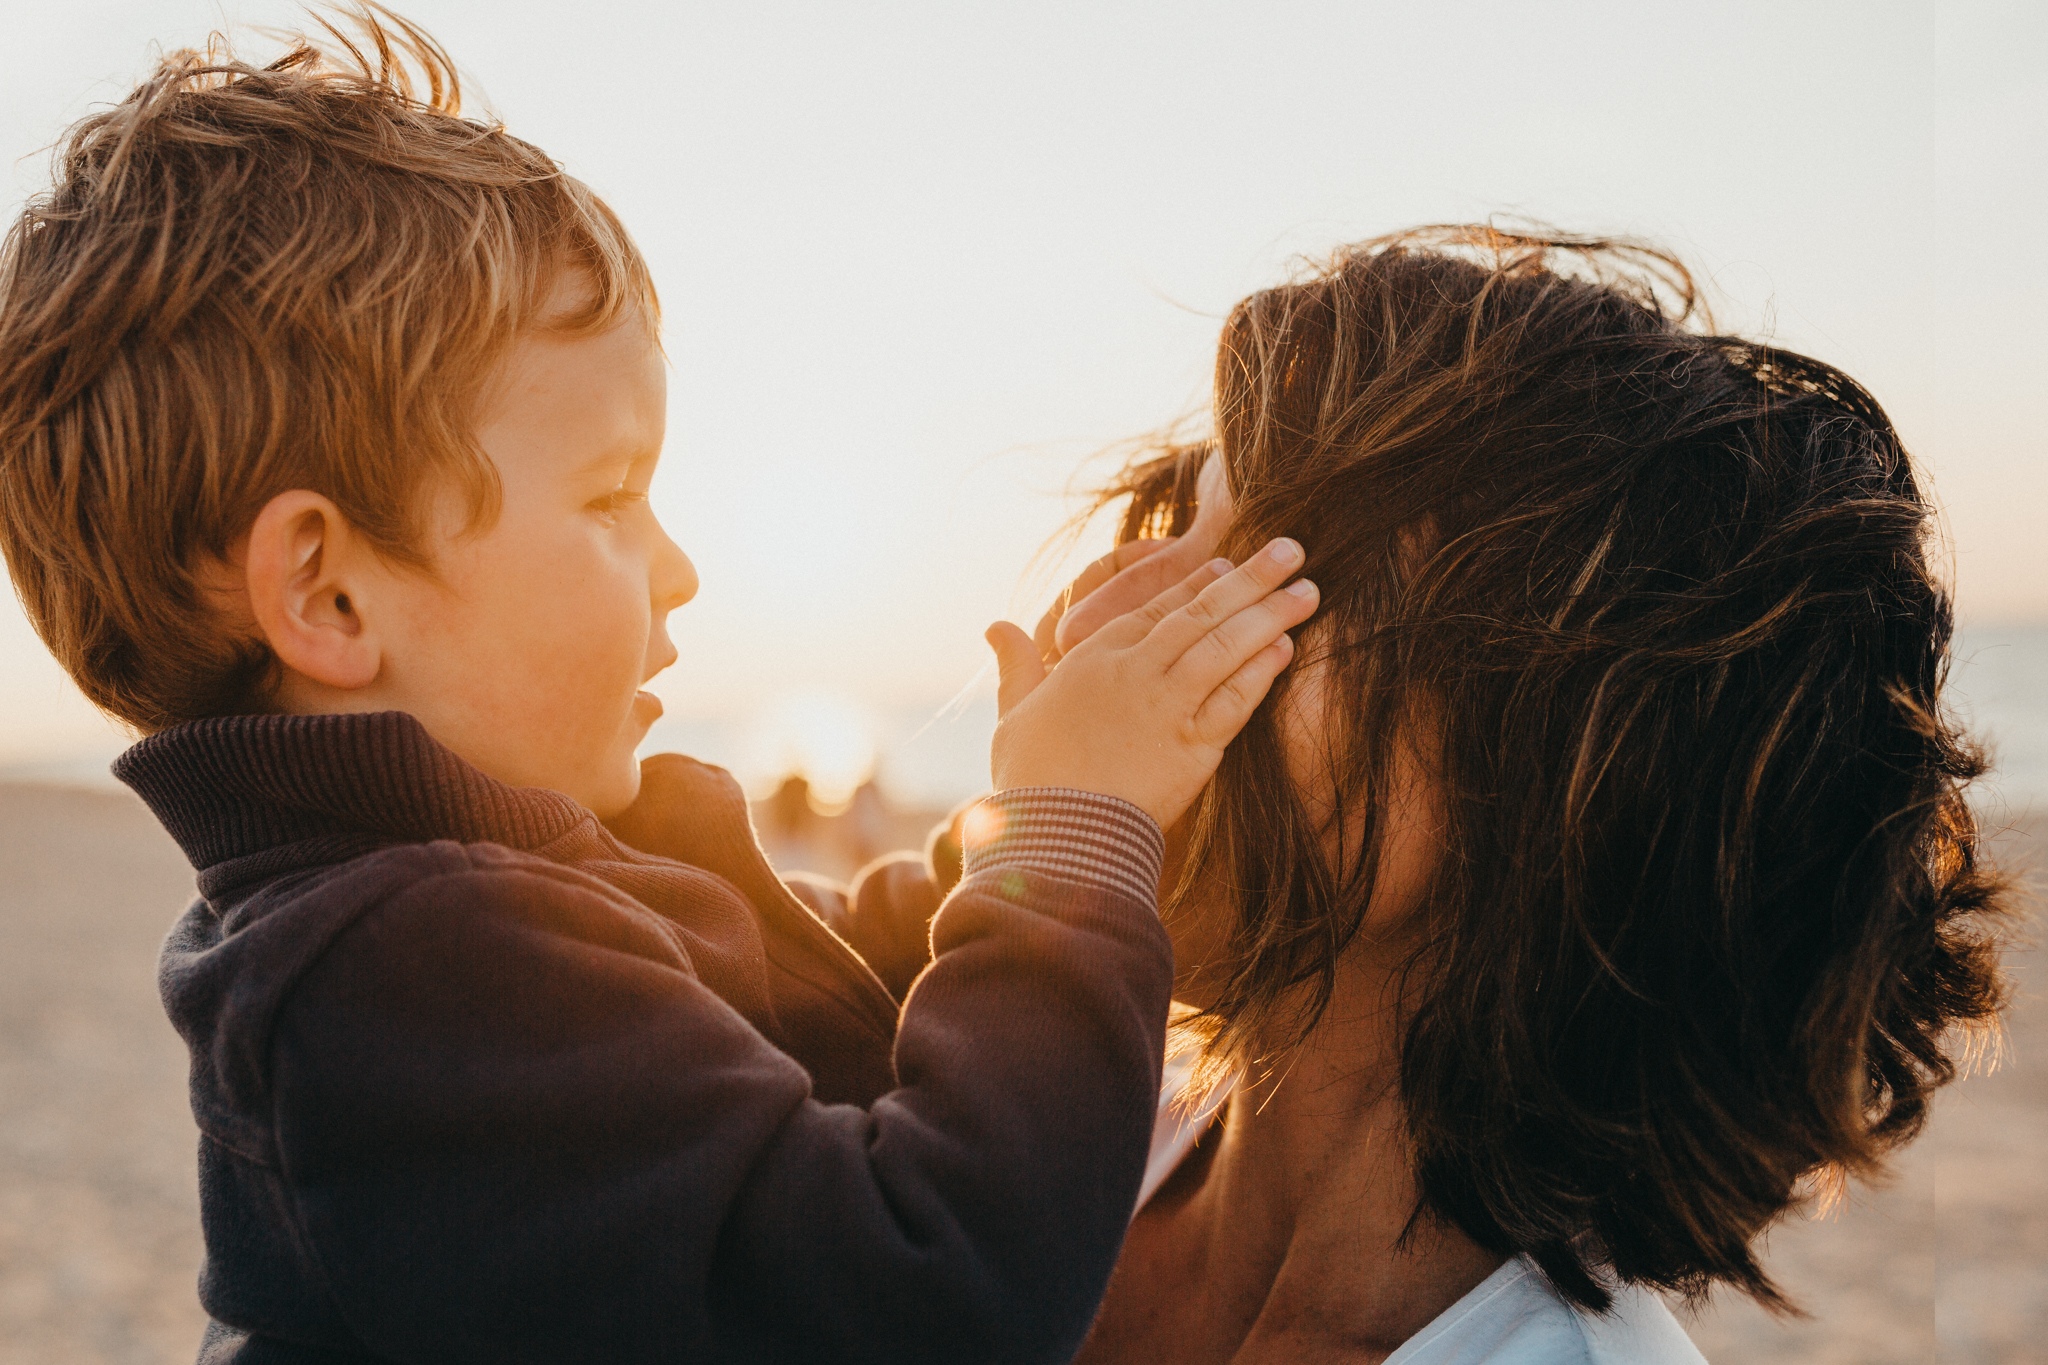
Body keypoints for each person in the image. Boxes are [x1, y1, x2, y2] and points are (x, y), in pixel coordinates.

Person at [0, 11, 1321, 1364]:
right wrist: (1081, 824)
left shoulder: (484, 886)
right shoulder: (405, 974)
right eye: (613, 498)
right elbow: (924, 1298)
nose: (679, 568)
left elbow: (810, 1004)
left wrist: (1039, 828)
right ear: (331, 597)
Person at [1037, 227, 2013, 1363]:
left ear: (1537, 754)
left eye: (1253, 562)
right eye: (1177, 527)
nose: (1096, 620)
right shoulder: (1016, 1131)